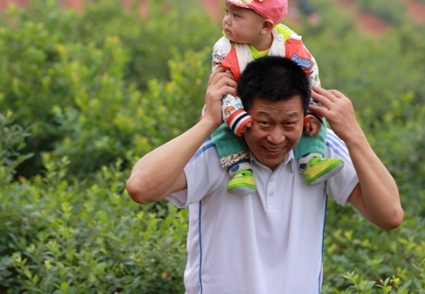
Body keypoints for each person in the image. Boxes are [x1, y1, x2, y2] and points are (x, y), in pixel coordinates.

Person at [126, 56, 403, 294]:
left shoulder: (319, 152)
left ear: (306, 116)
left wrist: (353, 135)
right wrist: (210, 120)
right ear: (242, 114)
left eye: (289, 123)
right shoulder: (217, 151)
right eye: (264, 122)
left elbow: (389, 215)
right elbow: (140, 187)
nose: (276, 137)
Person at [209, 0, 343, 194]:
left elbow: (309, 78)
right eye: (226, 13)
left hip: (278, 110)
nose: (226, 21)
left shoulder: (290, 44)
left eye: (236, 16)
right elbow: (224, 89)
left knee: (307, 124)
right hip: (237, 105)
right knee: (221, 129)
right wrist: (235, 116)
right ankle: (238, 166)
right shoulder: (224, 50)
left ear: (266, 26)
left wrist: (313, 113)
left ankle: (311, 159)